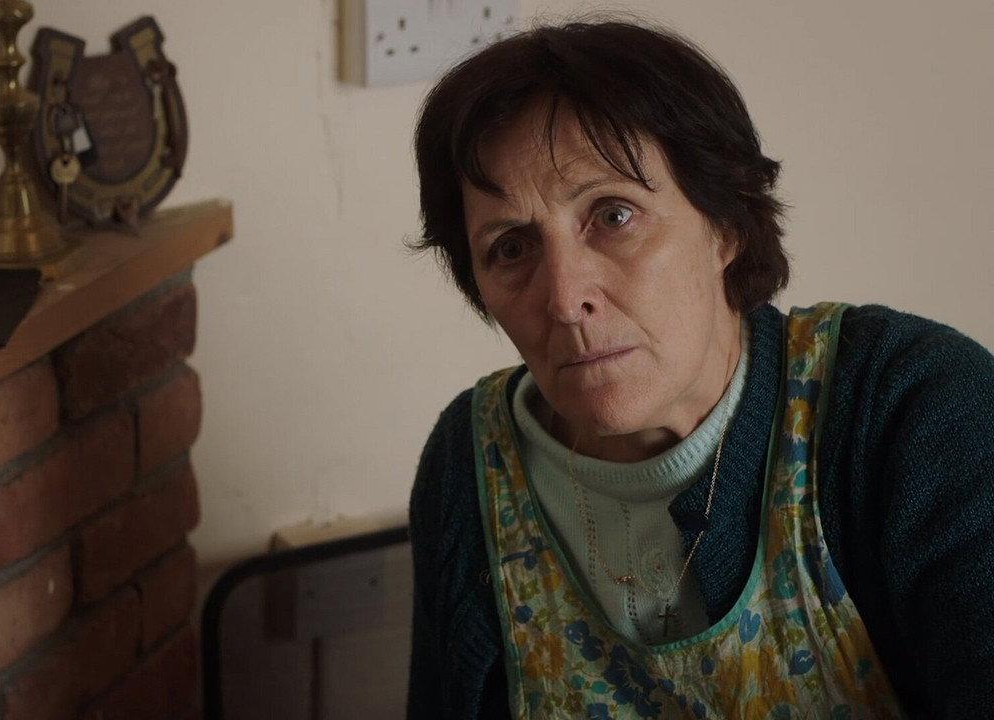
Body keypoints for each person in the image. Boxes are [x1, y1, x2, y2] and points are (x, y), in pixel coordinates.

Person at [406, 19, 994, 719]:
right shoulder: (470, 467)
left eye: (613, 216)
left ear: (727, 224)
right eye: (510, 248)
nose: (563, 299)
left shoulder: (909, 405)